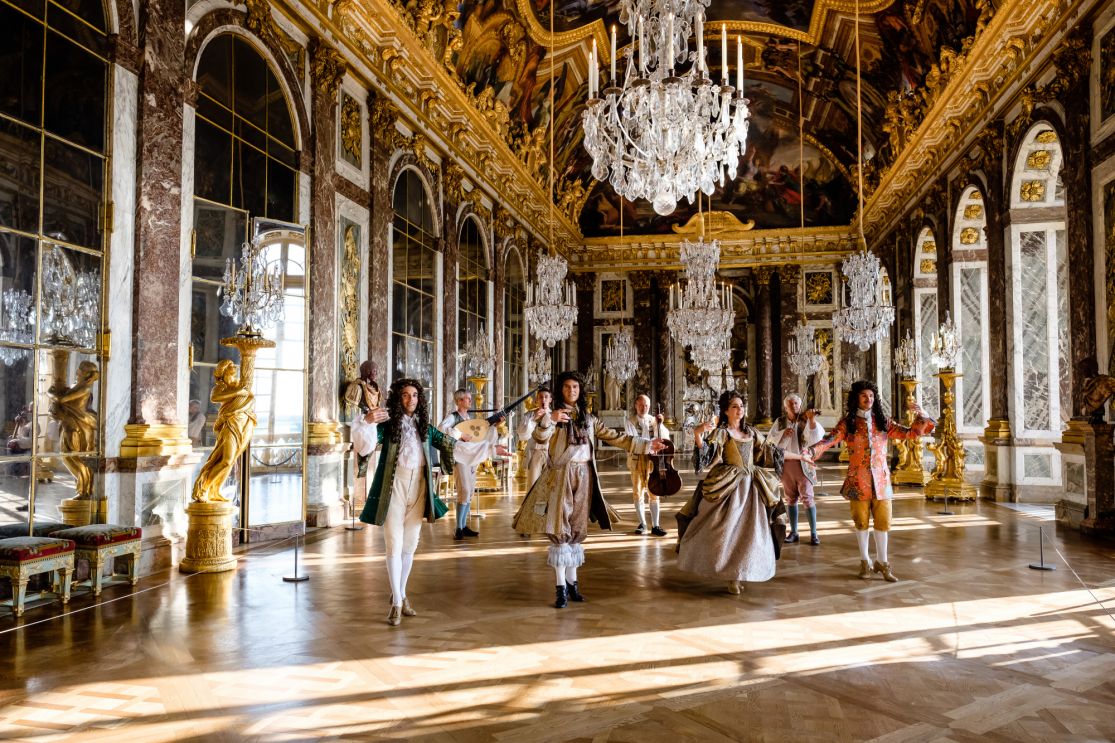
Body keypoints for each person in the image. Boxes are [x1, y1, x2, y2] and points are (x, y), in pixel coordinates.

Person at [513, 371, 668, 609]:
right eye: (567, 387)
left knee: (577, 528)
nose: (571, 391)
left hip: (585, 475)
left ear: (580, 391)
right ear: (560, 391)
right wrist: (551, 419)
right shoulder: (553, 416)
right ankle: (560, 588)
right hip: (561, 475)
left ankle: (573, 584)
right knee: (559, 528)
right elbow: (540, 437)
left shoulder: (589, 418)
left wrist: (648, 444)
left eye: (575, 387)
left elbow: (618, 438)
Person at [676, 390, 808, 595]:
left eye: (742, 406)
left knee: (750, 533)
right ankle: (727, 571)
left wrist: (800, 458)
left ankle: (739, 573)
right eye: (735, 407)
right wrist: (697, 434)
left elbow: (771, 453)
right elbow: (706, 455)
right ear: (726, 411)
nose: (740, 410)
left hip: (753, 487)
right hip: (729, 485)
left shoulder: (752, 432)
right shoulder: (722, 432)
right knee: (726, 530)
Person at [809, 380, 934, 582]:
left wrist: (924, 415)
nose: (869, 399)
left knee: (884, 522)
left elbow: (911, 433)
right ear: (856, 398)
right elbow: (829, 440)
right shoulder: (847, 423)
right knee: (861, 522)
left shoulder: (883, 422)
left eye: (872, 396)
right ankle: (865, 561)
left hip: (882, 481)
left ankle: (882, 563)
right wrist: (811, 451)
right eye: (864, 396)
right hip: (857, 481)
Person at [768, 393, 825, 545]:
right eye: (791, 404)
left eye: (797, 404)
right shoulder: (780, 422)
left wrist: (812, 420)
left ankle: (814, 533)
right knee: (790, 498)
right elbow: (770, 441)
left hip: (803, 464)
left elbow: (816, 439)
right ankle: (794, 532)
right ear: (786, 407)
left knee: (807, 498)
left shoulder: (804, 420)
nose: (795, 407)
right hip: (786, 464)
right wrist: (783, 434)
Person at [438, 388, 484, 540]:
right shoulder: (453, 417)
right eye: (467, 399)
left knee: (470, 491)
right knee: (464, 489)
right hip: (460, 459)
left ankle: (463, 526)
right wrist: (460, 434)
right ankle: (458, 527)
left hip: (471, 458)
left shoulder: (469, 418)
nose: (470, 401)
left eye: (470, 399)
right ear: (459, 401)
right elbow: (441, 428)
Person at [624, 394, 670, 536]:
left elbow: (663, 437)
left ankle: (655, 525)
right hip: (637, 460)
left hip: (652, 461)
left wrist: (660, 424)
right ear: (636, 405)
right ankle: (642, 524)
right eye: (641, 405)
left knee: (654, 491)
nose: (644, 408)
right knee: (638, 492)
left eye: (646, 405)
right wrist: (649, 443)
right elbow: (633, 440)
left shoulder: (654, 420)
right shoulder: (629, 421)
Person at [516, 386, 552, 489]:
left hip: (551, 454)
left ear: (550, 400)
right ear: (537, 399)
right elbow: (522, 435)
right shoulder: (529, 415)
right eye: (541, 397)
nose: (543, 399)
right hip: (534, 452)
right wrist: (533, 419)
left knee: (549, 487)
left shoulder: (554, 415)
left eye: (546, 397)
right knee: (532, 487)